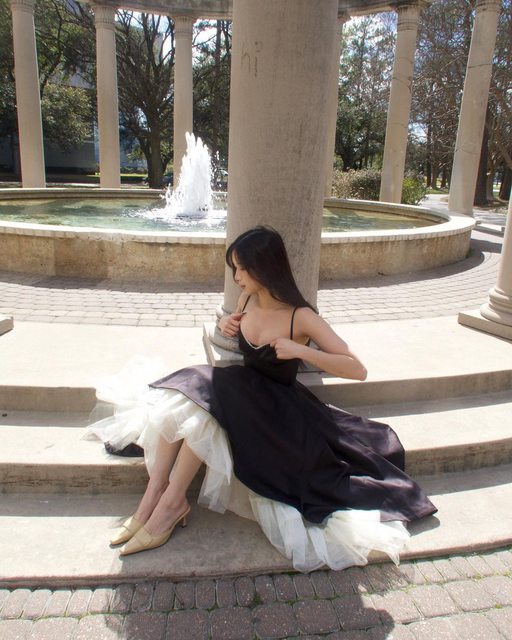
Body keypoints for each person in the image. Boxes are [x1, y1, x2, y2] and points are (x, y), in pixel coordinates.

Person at [86, 226, 436, 571]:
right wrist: (227, 325)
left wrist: (302, 350)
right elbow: (236, 329)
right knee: (193, 396)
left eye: (242, 268)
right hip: (245, 393)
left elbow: (358, 369)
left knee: (203, 396)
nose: (236, 276)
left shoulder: (302, 316)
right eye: (235, 268)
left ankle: (170, 505)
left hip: (279, 411)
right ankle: (156, 495)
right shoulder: (246, 300)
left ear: (265, 267)